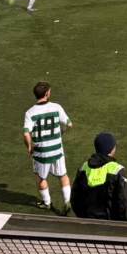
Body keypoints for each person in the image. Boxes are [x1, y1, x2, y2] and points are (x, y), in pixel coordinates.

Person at [22, 82, 73, 213]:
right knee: (63, 176)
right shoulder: (56, 107)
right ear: (46, 94)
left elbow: (26, 133)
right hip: (57, 150)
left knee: (41, 178)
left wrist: (29, 147)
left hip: (41, 152)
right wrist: (62, 131)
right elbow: (69, 124)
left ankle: (47, 203)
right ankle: (67, 201)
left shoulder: (30, 113)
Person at [70, 132, 127, 221]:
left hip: (88, 223)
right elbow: (124, 202)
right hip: (111, 224)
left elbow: (75, 199)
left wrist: (83, 218)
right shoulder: (117, 170)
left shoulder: (83, 168)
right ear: (111, 149)